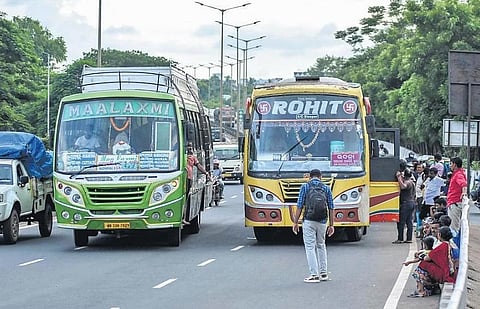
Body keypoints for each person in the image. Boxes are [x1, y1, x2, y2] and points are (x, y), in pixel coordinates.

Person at [292, 169, 335, 283]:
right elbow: (331, 207)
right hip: (322, 221)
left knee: (310, 247)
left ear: (310, 177)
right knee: (321, 245)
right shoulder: (326, 188)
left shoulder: (305, 187)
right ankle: (324, 273)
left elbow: (300, 205)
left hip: (309, 220)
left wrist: (295, 222)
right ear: (321, 177)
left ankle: (314, 275)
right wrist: (331, 225)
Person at [409, 226, 456, 297]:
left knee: (422, 265)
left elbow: (427, 258)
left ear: (439, 235)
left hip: (443, 272)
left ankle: (421, 291)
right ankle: (434, 288)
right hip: (447, 270)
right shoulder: (448, 244)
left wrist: (420, 256)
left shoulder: (442, 246)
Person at [185, 142, 210, 224]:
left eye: (191, 147)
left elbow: (199, 166)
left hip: (189, 179)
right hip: (182, 179)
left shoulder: (193, 158)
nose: (190, 148)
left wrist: (206, 173)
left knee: (187, 197)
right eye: (188, 147)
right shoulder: (181, 156)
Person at [393, 168, 415, 244]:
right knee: (409, 222)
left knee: (401, 222)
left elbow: (403, 186)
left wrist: (399, 177)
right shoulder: (412, 182)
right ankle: (409, 238)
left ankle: (400, 238)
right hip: (411, 203)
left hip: (406, 203)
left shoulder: (408, 182)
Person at [446, 157, 468, 233]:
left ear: (454, 164)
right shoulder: (458, 173)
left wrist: (464, 192)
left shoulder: (458, 174)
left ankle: (455, 244)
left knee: (454, 227)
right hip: (454, 202)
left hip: (455, 203)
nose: (449, 166)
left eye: (450, 164)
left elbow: (463, 184)